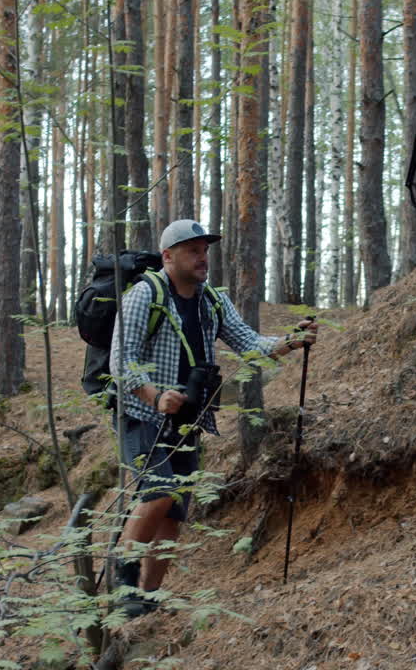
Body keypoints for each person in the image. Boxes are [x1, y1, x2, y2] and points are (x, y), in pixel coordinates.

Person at [108, 218, 318, 617]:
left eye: (205, 250)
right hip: (140, 415)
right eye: (193, 250)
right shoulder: (143, 295)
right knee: (158, 492)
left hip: (188, 421)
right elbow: (121, 360)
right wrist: (155, 396)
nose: (202, 257)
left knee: (174, 511)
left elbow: (248, 343)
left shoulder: (212, 301)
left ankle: (148, 600)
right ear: (168, 257)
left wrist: (290, 341)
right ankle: (124, 583)